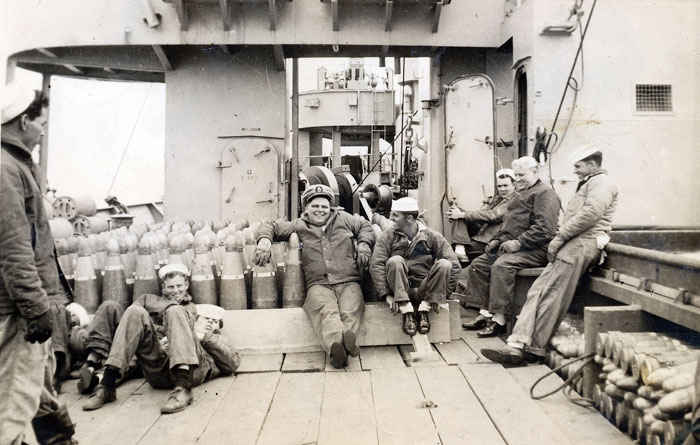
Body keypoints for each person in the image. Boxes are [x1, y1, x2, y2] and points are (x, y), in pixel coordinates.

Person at [481, 148, 619, 365]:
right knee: (537, 291)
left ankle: (533, 348)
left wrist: (559, 237)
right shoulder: (590, 182)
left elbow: (591, 214)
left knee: (552, 295)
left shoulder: (602, 183)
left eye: (578, 166)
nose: (574, 170)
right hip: (571, 244)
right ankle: (518, 344)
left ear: (593, 164)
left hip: (582, 244)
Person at [1, 82, 78, 444]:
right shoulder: (5, 171)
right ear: (21, 122)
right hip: (18, 313)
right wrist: (35, 310)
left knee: (38, 391)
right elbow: (13, 249)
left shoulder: (13, 165)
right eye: (40, 123)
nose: (43, 131)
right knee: (12, 409)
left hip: (24, 310)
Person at [82, 264, 240, 413]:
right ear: (163, 288)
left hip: (191, 372)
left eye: (179, 286)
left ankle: (183, 388)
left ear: (186, 286)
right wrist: (162, 334)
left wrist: (201, 335)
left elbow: (232, 362)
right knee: (134, 312)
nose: (176, 291)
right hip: (158, 370)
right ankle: (107, 384)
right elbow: (135, 327)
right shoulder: (150, 303)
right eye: (171, 287)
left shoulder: (201, 316)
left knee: (175, 311)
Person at [254, 184, 375, 368]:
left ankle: (342, 344)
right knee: (325, 310)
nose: (320, 210)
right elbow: (270, 225)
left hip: (348, 279)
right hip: (319, 284)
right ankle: (337, 345)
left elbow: (365, 226)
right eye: (315, 206)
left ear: (331, 208)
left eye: (324, 206)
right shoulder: (299, 225)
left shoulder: (344, 219)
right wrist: (264, 240)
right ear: (307, 208)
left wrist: (364, 244)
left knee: (352, 307)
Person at [461, 156, 560, 337]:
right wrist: (497, 240)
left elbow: (545, 229)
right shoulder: (520, 194)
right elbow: (508, 224)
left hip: (536, 249)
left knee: (501, 265)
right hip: (513, 246)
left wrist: (519, 242)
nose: (518, 178)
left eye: (522, 174)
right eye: (516, 175)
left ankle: (499, 319)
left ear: (535, 172)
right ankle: (485, 313)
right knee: (479, 265)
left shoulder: (545, 194)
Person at [370, 197, 461, 336]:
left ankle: (424, 310)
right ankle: (407, 312)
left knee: (444, 264)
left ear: (410, 218)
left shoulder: (432, 236)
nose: (391, 218)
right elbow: (377, 265)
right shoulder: (387, 236)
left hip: (425, 290)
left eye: (396, 215)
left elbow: (454, 266)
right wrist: (386, 295)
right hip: (400, 289)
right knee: (395, 261)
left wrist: (441, 294)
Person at [447, 168, 517, 260]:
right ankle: (460, 248)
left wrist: (462, 215)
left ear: (514, 185)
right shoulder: (498, 199)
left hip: (491, 242)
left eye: (505, 185)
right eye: (499, 186)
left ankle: (460, 248)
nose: (502, 189)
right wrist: (458, 214)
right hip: (480, 236)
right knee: (458, 211)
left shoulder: (515, 201)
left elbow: (493, 216)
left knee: (449, 252)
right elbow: (483, 214)